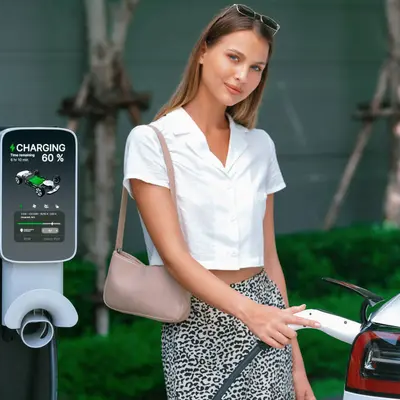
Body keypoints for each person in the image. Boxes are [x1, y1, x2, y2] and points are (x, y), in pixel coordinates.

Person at [122, 4, 319, 399]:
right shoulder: (152, 141)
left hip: (265, 316)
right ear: (202, 52)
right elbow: (175, 258)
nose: (242, 76)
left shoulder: (259, 145)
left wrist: (298, 369)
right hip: (195, 324)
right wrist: (251, 313)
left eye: (256, 68)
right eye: (234, 57)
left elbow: (270, 259)